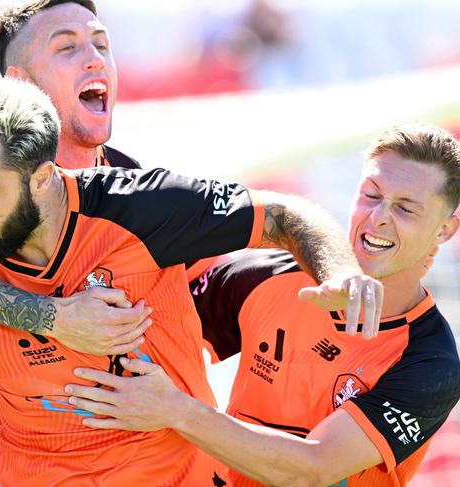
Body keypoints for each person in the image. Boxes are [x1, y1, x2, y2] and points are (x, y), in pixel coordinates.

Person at [0, 2, 380, 485]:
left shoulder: (140, 203)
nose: (95, 58)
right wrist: (58, 321)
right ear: (21, 83)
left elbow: (253, 252)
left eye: (102, 44)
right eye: (67, 48)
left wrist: (337, 276)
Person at [65, 124, 460, 486]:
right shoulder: (268, 277)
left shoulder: (431, 363)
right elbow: (147, 317)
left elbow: (314, 468)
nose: (379, 218)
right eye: (371, 195)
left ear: (446, 229)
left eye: (406, 208)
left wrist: (175, 411)